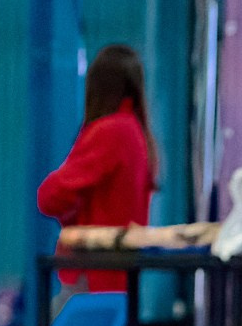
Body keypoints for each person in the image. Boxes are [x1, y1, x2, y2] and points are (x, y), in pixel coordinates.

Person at [36, 44, 159, 294]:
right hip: (119, 277)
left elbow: (49, 196)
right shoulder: (137, 133)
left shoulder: (110, 132)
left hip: (91, 274)